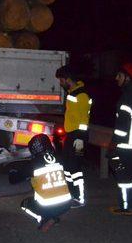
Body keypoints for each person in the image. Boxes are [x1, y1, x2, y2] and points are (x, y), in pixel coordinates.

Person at [9, 134, 72, 232]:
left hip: (46, 205)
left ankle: (43, 219)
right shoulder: (60, 158)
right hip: (67, 204)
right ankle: (53, 216)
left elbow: (13, 180)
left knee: (24, 204)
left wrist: (12, 171)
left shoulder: (33, 164)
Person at [107, 62, 132, 216]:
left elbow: (121, 127)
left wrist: (113, 144)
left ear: (127, 77)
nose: (116, 78)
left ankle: (127, 207)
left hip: (124, 145)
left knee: (124, 177)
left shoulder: (125, 99)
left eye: (119, 75)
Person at [55, 65, 92, 207]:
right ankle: (71, 195)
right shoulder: (73, 93)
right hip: (72, 135)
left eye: (61, 80)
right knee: (68, 166)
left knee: (75, 167)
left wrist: (79, 139)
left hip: (79, 137)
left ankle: (80, 198)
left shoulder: (81, 95)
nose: (60, 83)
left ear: (67, 79)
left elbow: (83, 120)